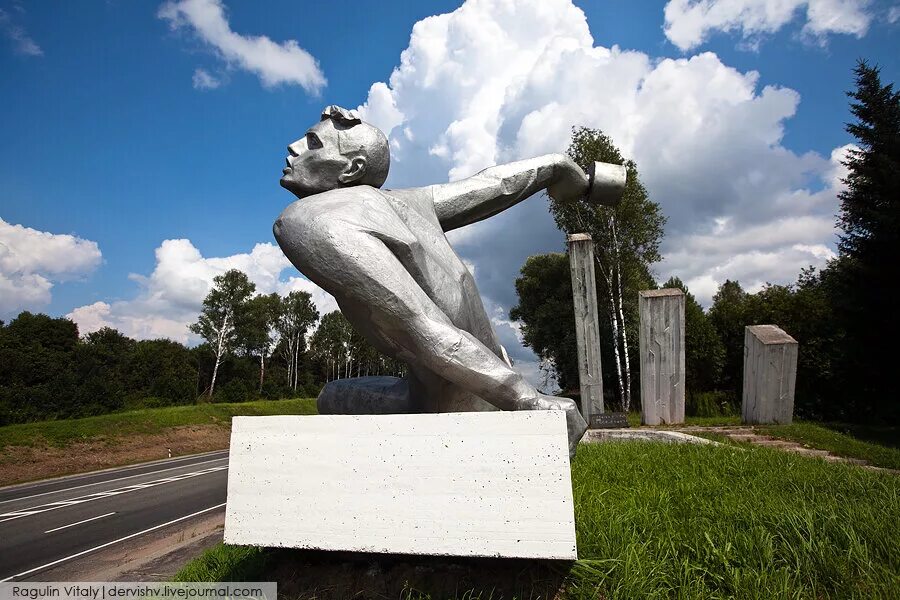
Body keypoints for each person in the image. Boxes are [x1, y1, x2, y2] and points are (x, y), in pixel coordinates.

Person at [274, 105, 624, 456]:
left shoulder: (308, 220)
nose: (293, 147)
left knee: (329, 396)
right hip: (488, 371)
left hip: (458, 396)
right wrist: (558, 166)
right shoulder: (405, 202)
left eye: (313, 143)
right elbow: (492, 185)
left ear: (353, 169)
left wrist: (528, 401)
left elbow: (421, 326)